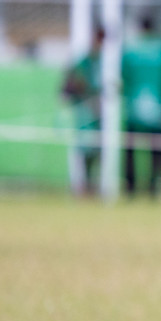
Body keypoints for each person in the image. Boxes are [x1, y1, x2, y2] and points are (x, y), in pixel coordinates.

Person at [121, 15, 161, 196]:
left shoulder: (130, 49)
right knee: (156, 149)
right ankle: (153, 187)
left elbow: (124, 76)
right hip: (157, 108)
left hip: (133, 108)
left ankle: (131, 187)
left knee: (130, 149)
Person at [60, 25, 104, 196]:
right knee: (85, 149)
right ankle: (84, 185)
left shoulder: (102, 62)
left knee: (98, 149)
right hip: (85, 113)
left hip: (98, 113)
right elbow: (67, 87)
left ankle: (93, 185)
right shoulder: (81, 63)